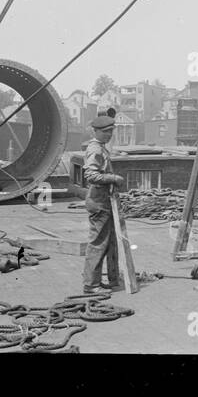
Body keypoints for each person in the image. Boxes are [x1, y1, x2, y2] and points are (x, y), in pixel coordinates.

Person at [81, 114, 126, 293]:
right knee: (98, 243)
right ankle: (91, 285)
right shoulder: (96, 150)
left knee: (105, 243)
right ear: (96, 131)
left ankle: (98, 281)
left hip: (103, 201)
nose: (109, 135)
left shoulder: (101, 147)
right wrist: (113, 178)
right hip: (98, 203)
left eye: (111, 131)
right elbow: (91, 175)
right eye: (105, 132)